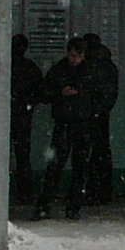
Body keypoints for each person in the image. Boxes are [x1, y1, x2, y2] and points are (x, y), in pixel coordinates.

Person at [34, 37, 96, 221]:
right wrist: (60, 94)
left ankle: (72, 206)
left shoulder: (87, 71)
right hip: (67, 123)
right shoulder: (62, 70)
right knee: (57, 167)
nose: (74, 60)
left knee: (78, 167)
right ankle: (48, 205)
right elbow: (44, 92)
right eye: (72, 55)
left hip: (80, 123)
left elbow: (99, 95)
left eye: (78, 56)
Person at [81, 33, 120, 206]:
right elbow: (110, 93)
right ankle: (103, 192)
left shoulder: (90, 65)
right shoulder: (108, 65)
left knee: (88, 153)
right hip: (102, 115)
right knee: (102, 152)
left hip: (88, 115)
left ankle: (91, 191)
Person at [10, 34, 45, 203]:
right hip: (23, 115)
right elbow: (41, 91)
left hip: (9, 115)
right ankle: (24, 192)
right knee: (23, 156)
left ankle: (7, 192)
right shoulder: (30, 68)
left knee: (5, 155)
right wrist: (29, 104)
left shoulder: (4, 66)